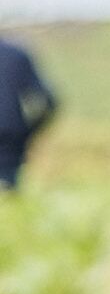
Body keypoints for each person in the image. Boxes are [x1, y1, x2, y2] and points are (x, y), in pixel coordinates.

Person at [0, 36, 58, 189]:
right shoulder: (16, 56)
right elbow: (49, 102)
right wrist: (27, 132)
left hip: (9, 146)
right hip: (9, 146)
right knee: (8, 203)